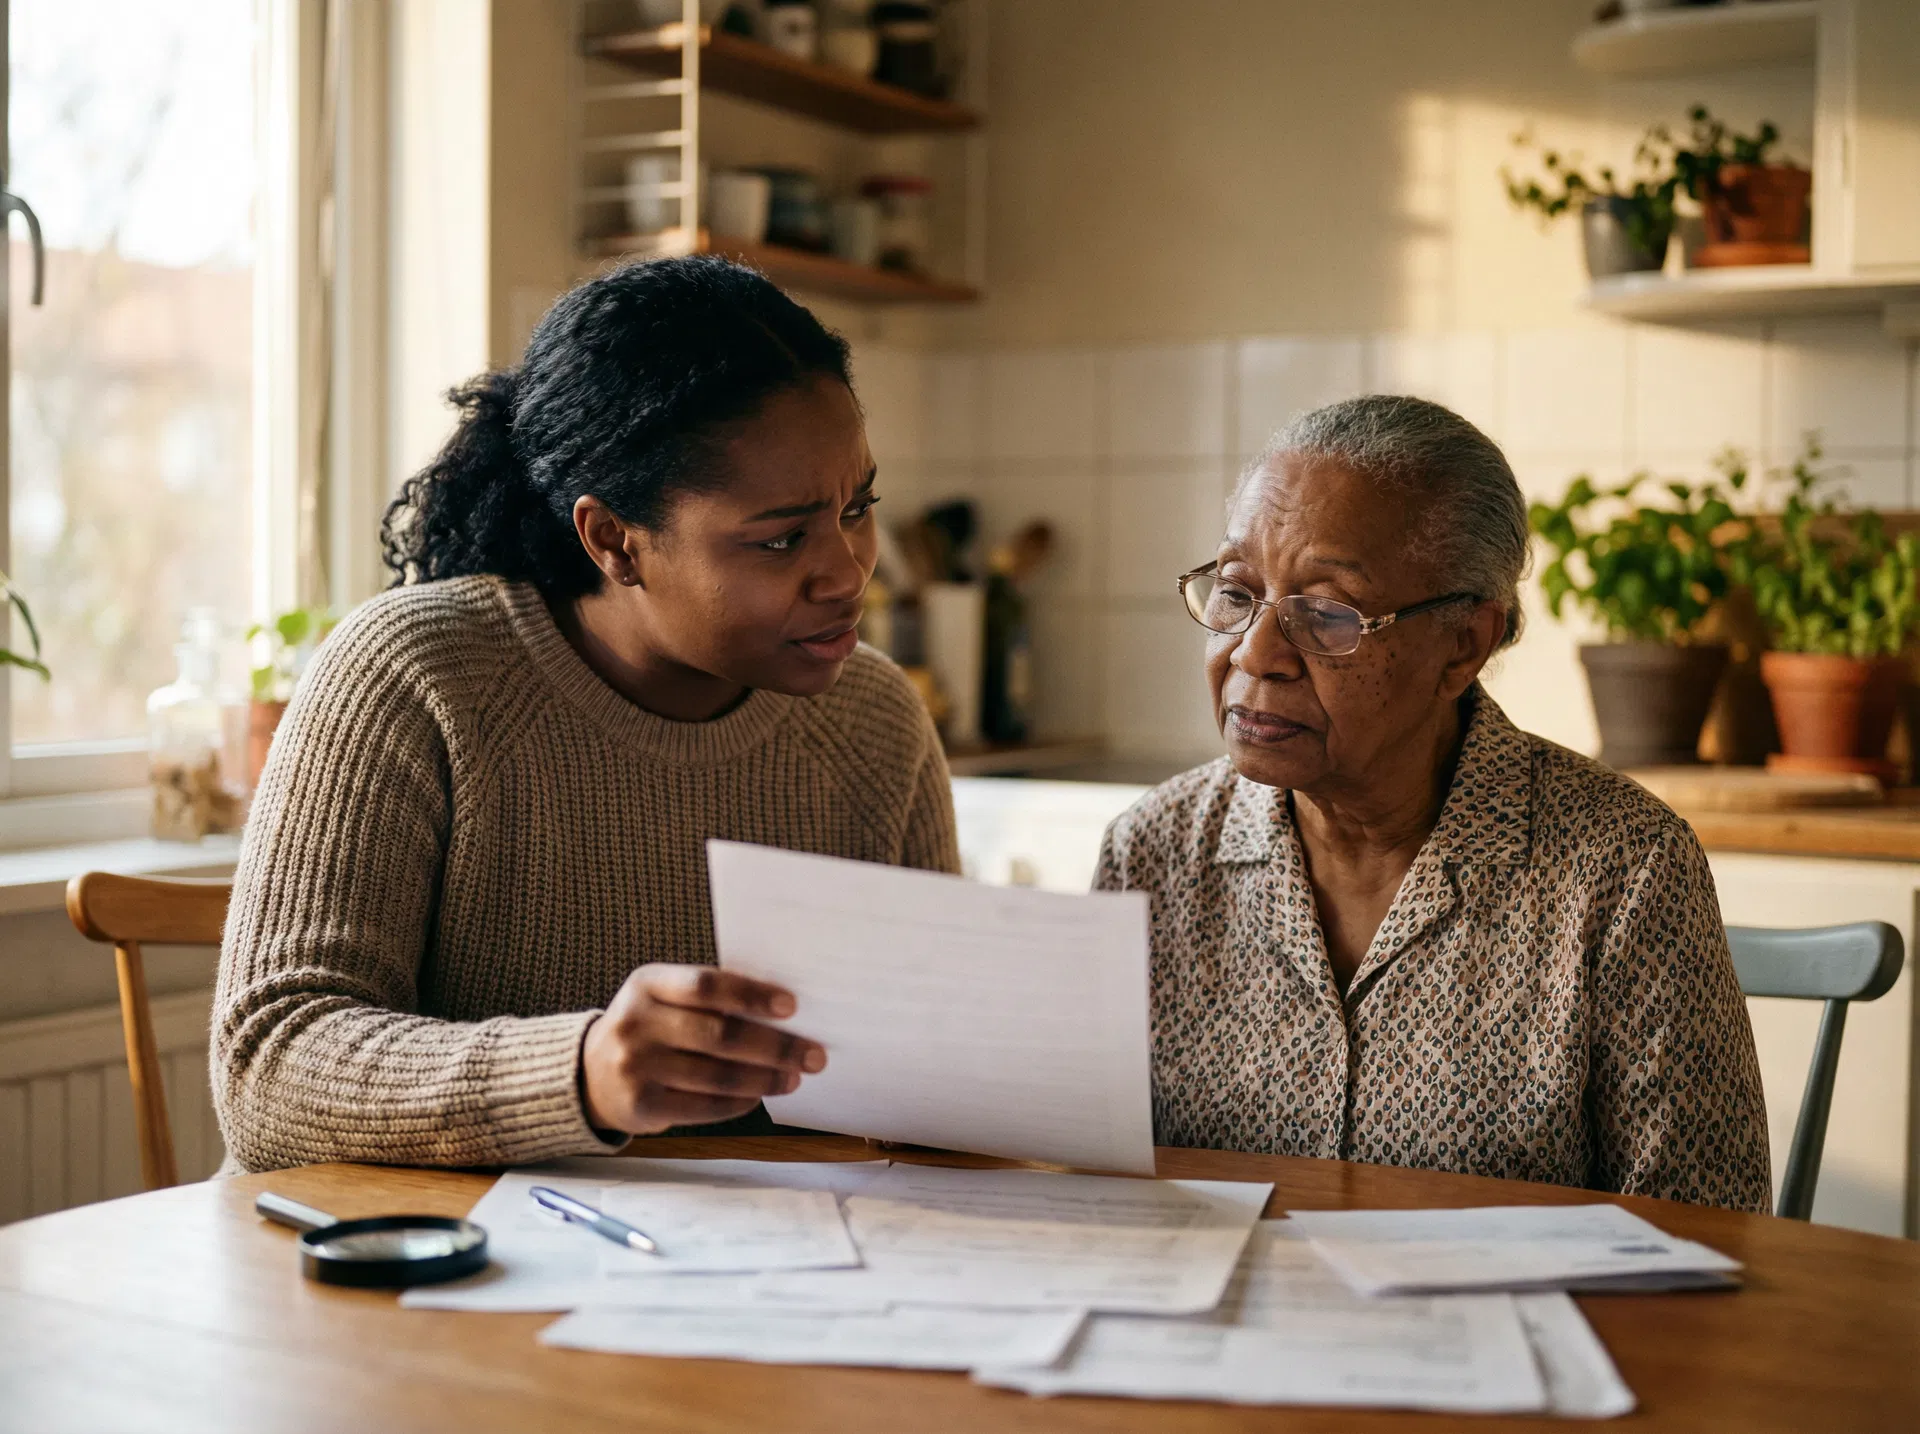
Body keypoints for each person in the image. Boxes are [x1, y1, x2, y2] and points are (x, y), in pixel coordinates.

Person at [213, 256, 958, 1173]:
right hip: (450, 1279)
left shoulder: (875, 718)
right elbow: (268, 1072)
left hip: (774, 1279)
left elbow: (932, 1078)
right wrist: (580, 1076)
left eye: (859, 508)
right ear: (613, 541)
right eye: (781, 537)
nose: (848, 571)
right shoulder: (415, 676)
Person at [1096, 394, 1771, 1211]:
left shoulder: (1623, 869)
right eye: (1237, 594)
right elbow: (1093, 1185)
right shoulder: (1154, 852)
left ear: (1463, 645)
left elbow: (1708, 1230)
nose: (1256, 652)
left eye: (1326, 613)